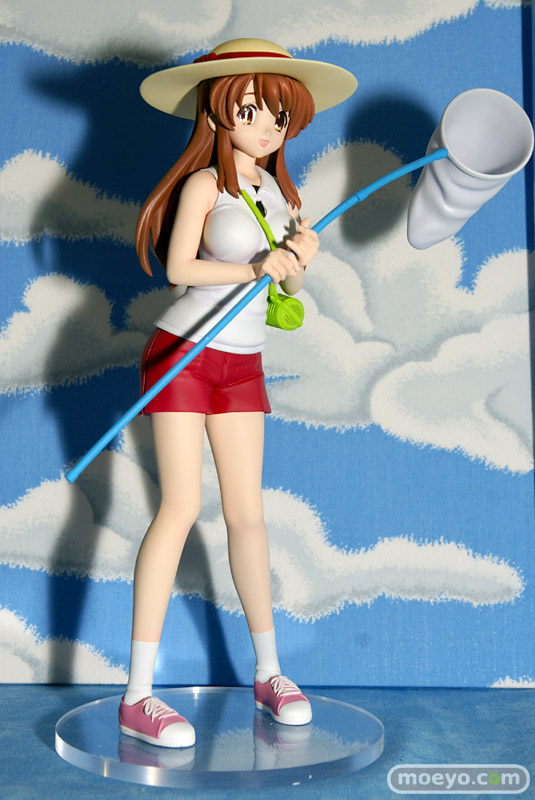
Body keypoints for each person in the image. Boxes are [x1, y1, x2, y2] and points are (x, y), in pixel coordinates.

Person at [118, 38, 357, 748]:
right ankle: (137, 695)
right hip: (185, 355)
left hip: (243, 363)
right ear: (217, 113)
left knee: (248, 515)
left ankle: (269, 672)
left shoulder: (280, 193)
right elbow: (179, 269)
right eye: (250, 110)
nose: (265, 126)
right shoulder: (204, 186)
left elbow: (287, 285)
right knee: (180, 508)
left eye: (277, 115)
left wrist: (298, 261)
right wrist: (257, 266)